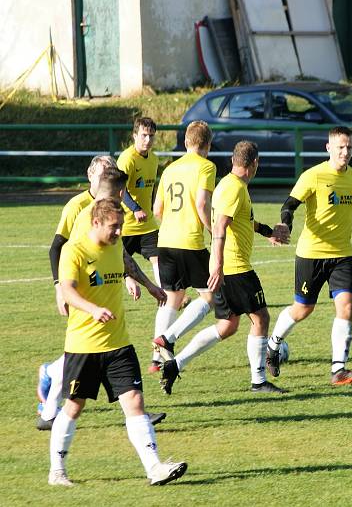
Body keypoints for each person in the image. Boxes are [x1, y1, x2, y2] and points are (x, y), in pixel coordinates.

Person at [49, 198, 186, 487]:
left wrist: (150, 287)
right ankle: (57, 471)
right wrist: (93, 309)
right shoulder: (73, 251)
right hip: (83, 346)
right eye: (113, 227)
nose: (118, 232)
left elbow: (126, 264)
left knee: (135, 402)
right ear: (96, 222)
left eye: (121, 227)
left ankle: (155, 468)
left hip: (119, 344)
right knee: (74, 406)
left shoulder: (115, 246)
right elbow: (69, 292)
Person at [37, 162, 165, 431]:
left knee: (96, 353)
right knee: (80, 356)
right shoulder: (82, 212)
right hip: (82, 294)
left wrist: (143, 282)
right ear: (119, 193)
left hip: (102, 295)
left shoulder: (109, 215)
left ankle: (134, 409)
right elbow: (57, 248)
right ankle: (50, 403)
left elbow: (118, 255)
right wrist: (60, 287)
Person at [158, 141, 289, 395]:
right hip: (235, 268)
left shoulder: (230, 184)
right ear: (254, 165)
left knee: (227, 326)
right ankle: (259, 381)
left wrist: (268, 232)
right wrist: (217, 264)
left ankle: (175, 365)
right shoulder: (234, 188)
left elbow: (243, 221)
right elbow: (219, 227)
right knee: (261, 318)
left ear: (233, 160)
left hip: (227, 267)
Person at [265, 126, 352, 386]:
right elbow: (289, 205)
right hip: (311, 254)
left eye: (349, 147)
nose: (345, 152)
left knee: (346, 305)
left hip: (342, 254)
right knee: (303, 309)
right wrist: (285, 225)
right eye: (340, 147)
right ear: (328, 148)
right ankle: (273, 343)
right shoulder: (313, 176)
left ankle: (339, 369)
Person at [148, 121, 217, 373]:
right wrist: (214, 231)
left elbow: (157, 210)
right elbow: (201, 204)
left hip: (165, 241)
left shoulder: (169, 169)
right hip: (190, 242)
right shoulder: (207, 166)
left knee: (172, 299)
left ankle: (157, 359)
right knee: (210, 297)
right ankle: (170, 338)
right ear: (207, 145)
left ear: (186, 142)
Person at [117, 117, 160, 282]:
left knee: (159, 259)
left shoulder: (154, 159)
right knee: (116, 264)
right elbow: (120, 188)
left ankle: (165, 294)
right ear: (134, 135)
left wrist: (154, 205)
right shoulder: (127, 159)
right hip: (126, 224)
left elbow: (151, 186)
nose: (148, 140)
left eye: (151, 136)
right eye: (144, 135)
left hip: (147, 223)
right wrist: (135, 209)